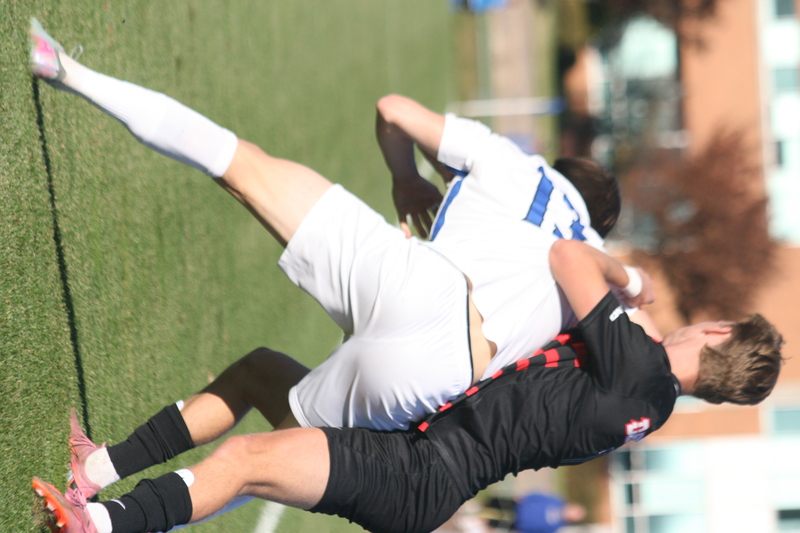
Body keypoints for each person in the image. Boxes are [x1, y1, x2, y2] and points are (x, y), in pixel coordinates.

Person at [28, 13, 648, 445]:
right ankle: (101, 488)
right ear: (597, 225)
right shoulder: (591, 267)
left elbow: (393, 111)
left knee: (239, 160)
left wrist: (406, 180)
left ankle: (67, 71)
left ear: (563, 171)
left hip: (414, 275)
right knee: (264, 454)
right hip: (442, 361)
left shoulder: (519, 162)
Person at [33, 236, 784, 533]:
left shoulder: (640, 361)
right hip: (420, 453)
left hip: (420, 470)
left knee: (247, 460)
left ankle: (99, 525)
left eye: (710, 322)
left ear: (716, 335)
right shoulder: (650, 407)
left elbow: (566, 257)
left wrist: (628, 278)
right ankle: (97, 470)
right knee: (264, 373)